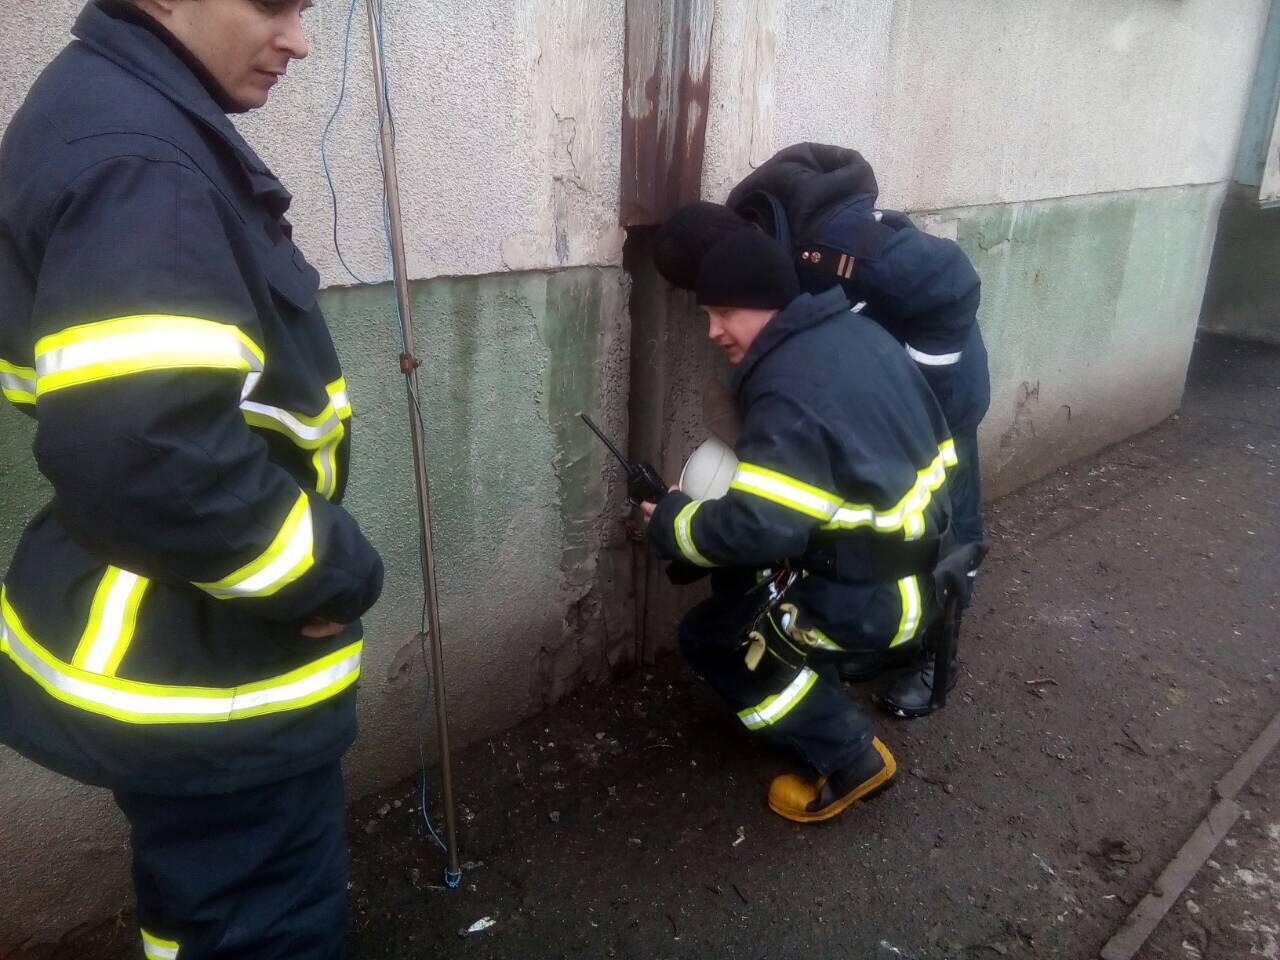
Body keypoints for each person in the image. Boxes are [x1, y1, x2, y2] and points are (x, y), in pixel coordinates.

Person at [0, 1, 383, 956]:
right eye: (271, 4)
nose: (298, 40)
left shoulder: (121, 116)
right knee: (263, 927)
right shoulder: (142, 160)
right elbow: (148, 459)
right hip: (217, 664)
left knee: (207, 917)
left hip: (195, 637)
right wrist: (330, 573)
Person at [653, 144, 989, 715]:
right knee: (887, 529)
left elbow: (951, 283)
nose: (712, 324)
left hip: (938, 397)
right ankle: (888, 639)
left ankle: (937, 653)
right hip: (883, 402)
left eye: (715, 307)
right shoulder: (772, 252)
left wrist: (915, 386)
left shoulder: (832, 245)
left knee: (946, 521)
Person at [642, 229, 957, 821]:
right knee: (743, 586)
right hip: (919, 565)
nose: (714, 331)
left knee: (714, 638)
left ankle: (849, 757)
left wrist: (674, 521)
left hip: (875, 596)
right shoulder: (855, 335)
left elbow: (756, 530)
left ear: (767, 302)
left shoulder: (790, 384)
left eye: (724, 313)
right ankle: (813, 672)